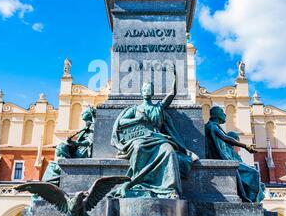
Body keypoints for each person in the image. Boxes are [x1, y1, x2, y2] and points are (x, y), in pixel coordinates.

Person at [110, 68, 199, 198]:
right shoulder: (135, 109)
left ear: (152, 92)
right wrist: (137, 119)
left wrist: (176, 77)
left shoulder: (158, 107)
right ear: (141, 92)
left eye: (149, 89)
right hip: (139, 138)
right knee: (138, 147)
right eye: (144, 89)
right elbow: (121, 122)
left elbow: (172, 93)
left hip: (158, 138)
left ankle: (169, 189)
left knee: (169, 150)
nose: (146, 91)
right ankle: (137, 182)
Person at [205, 106, 265, 203]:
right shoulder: (212, 126)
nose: (224, 115)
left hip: (223, 159)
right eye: (222, 112)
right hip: (222, 159)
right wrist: (246, 146)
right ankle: (251, 201)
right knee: (253, 173)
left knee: (253, 173)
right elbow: (226, 138)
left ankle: (251, 199)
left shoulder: (213, 126)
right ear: (216, 114)